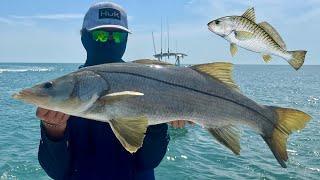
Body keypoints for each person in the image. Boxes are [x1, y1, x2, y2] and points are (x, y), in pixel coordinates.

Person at [36, 2, 190, 180]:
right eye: (100, 35)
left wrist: (160, 120)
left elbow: (149, 161)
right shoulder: (66, 93)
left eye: (117, 36)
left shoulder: (148, 85)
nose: (109, 41)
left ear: (125, 40)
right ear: (84, 37)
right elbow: (57, 172)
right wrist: (54, 131)